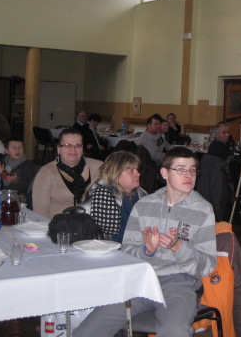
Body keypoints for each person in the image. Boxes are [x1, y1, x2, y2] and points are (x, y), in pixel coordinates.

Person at [72, 147, 216, 337]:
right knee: (87, 331)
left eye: (192, 170)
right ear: (165, 173)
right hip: (141, 282)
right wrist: (146, 251)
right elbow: (127, 253)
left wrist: (178, 247)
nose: (188, 175)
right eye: (181, 169)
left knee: (174, 331)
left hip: (179, 285)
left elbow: (208, 264)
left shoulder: (203, 210)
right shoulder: (144, 204)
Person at [32, 128, 102, 218]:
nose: (73, 149)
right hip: (59, 224)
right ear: (59, 149)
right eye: (67, 145)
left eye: (77, 145)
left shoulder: (98, 167)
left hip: (94, 223)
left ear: (82, 149)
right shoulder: (46, 173)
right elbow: (40, 211)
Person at [82, 151, 146, 243]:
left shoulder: (139, 194)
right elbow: (113, 239)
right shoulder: (103, 196)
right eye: (131, 171)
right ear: (115, 173)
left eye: (137, 170)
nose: (138, 174)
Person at [0, 137, 39, 207]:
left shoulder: (27, 166)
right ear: (6, 151)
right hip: (1, 196)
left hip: (17, 199)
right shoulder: (2, 162)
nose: (17, 150)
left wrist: (16, 181)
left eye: (20, 147)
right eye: (14, 148)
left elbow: (27, 189)